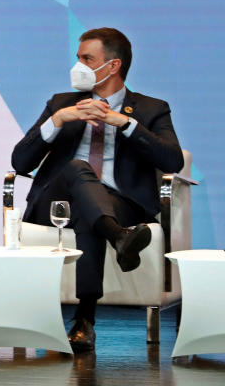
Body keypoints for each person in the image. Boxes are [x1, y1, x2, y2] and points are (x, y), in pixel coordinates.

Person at [11, 28, 183, 352]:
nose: (78, 65)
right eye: (78, 58)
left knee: (91, 212)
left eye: (87, 59)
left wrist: (126, 124)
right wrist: (59, 120)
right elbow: (19, 161)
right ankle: (118, 238)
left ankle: (84, 319)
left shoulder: (151, 109)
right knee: (78, 169)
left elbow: (172, 159)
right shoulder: (62, 104)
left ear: (113, 66)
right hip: (56, 200)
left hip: (120, 202)